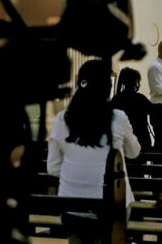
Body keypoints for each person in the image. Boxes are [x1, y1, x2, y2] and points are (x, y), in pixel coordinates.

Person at [47, 60, 140, 244]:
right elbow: (134, 152)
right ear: (107, 87)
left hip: (72, 206)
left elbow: (53, 168)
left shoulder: (61, 120)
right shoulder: (118, 117)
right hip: (113, 206)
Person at [112, 67, 153, 151]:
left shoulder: (116, 99)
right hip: (141, 141)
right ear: (135, 82)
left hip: (122, 142)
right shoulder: (141, 99)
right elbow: (153, 112)